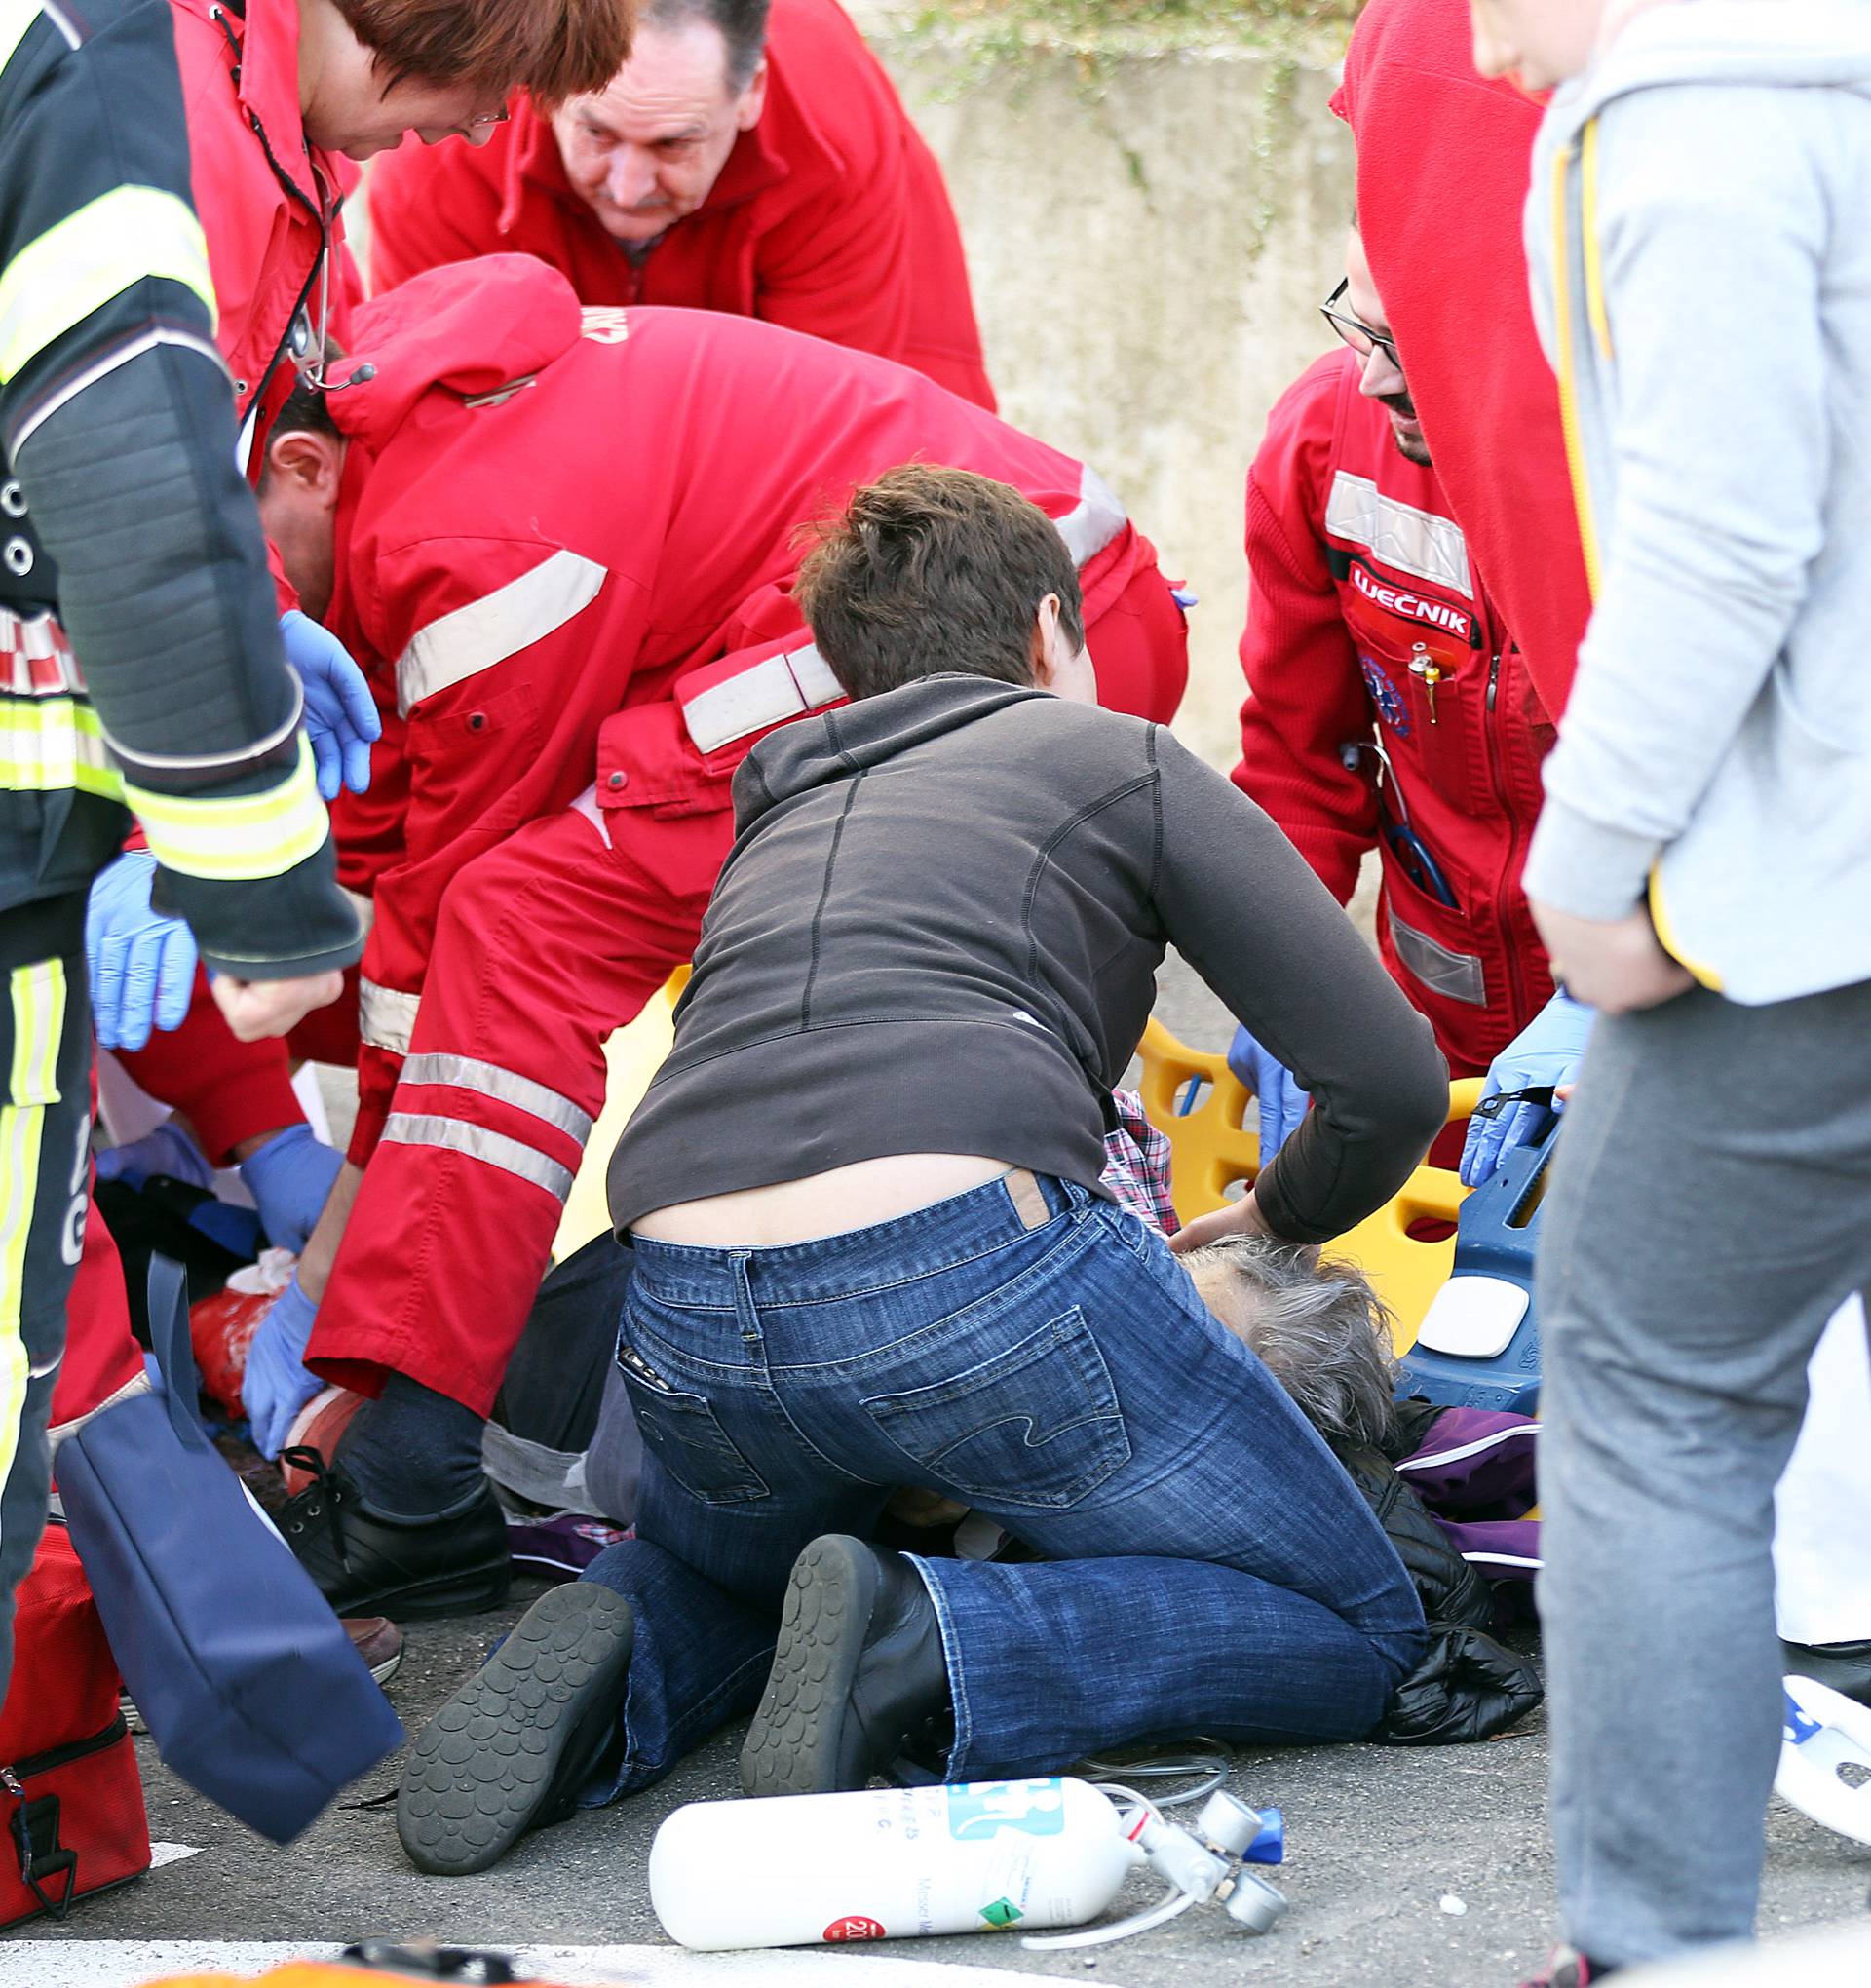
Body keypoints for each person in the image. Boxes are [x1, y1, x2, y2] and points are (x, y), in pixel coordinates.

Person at [392, 461, 1448, 1877]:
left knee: (739, 1572)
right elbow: (1387, 1084)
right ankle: (936, 1639)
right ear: (1052, 635)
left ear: (842, 672)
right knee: (1365, 1625)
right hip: (964, 1271)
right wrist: (1281, 1205)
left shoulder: (779, 795)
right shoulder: (1115, 756)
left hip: (687, 1308)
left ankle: (630, 1649)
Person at [233, 257, 1190, 1618]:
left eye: (240, 552)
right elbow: (384, 842)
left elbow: (438, 931)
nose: (238, 596)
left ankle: (412, 1477)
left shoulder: (468, 551)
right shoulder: (405, 414)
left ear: (305, 467)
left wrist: (347, 1301)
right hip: (972, 590)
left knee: (520, 925)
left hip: (988, 627)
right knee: (509, 913)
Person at [1468, 1, 1871, 1980]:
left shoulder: (1695, 136)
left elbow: (1724, 543)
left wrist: (1590, 856)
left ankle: (1661, 1947)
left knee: (1646, 1405)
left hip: (1811, 899)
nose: (1467, 38)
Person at [1227, 218, 1554, 1164]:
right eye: (1362, 330)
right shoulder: (1326, 439)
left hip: (1647, 1020)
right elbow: (1297, 755)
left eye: (1410, 348)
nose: (1373, 378)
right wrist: (1282, 974)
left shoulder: (1658, 471)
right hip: (1436, 1041)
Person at [366, 0, 995, 409]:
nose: (628, 187)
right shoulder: (441, 153)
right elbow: (436, 410)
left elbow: (834, 420)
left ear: (751, 93)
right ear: (545, 85)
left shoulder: (835, 140)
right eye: (598, 133)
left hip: (851, 344)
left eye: (673, 143)